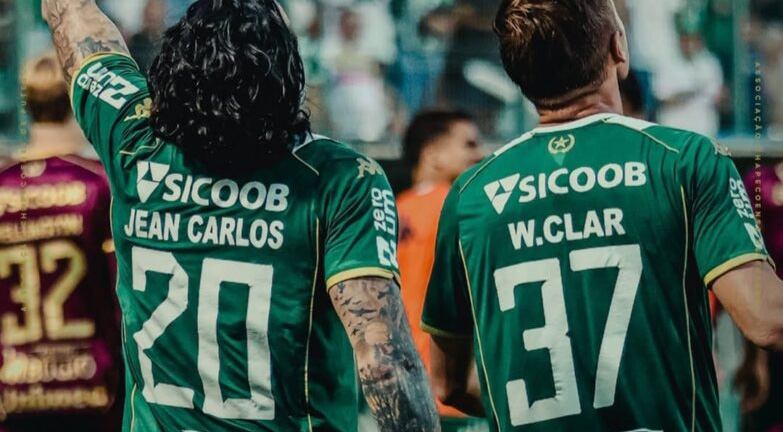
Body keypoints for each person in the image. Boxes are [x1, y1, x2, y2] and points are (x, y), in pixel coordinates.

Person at [40, 1, 440, 431]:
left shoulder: (133, 140)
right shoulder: (340, 177)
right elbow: (384, 363)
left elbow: (75, 20)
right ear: (286, 76)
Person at [421, 0, 783, 431]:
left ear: (518, 72)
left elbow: (447, 385)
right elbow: (767, 320)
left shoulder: (471, 194)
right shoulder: (684, 159)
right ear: (618, 47)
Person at [0, 54, 121, 432]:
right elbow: (121, 299)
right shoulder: (98, 185)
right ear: (76, 100)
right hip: (93, 389)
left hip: (13, 390)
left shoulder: (3, 185)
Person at [397, 111, 485, 432]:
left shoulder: (393, 209)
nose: (480, 154)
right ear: (432, 153)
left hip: (402, 389)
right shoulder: (460, 205)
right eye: (469, 144)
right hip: (456, 387)